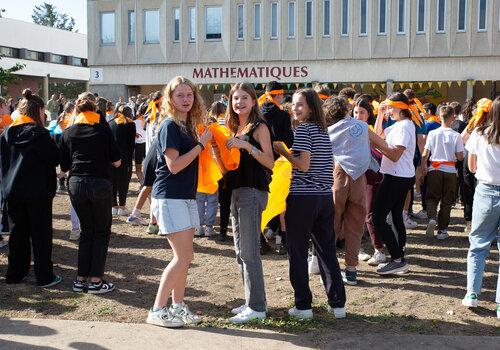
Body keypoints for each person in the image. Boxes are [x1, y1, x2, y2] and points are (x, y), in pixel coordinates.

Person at [274, 89, 346, 320]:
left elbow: (303, 165)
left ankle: (303, 306)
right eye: (293, 104)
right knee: (327, 252)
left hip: (303, 198)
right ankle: (338, 305)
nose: (295, 109)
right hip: (324, 198)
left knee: (297, 252)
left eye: (300, 105)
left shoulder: (304, 130)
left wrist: (283, 152)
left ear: (312, 108)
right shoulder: (323, 131)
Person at [147, 76, 211, 328]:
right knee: (181, 257)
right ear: (170, 99)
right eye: (180, 95)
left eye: (189, 95)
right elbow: (174, 166)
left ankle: (178, 306)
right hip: (169, 196)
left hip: (184, 197)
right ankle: (157, 309)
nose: (186, 99)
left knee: (186, 257)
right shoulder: (170, 126)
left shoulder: (186, 126)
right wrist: (200, 146)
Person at [59, 92, 121, 294]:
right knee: (101, 232)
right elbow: (117, 161)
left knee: (86, 231)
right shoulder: (104, 131)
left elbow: (65, 165)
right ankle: (95, 281)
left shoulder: (68, 132)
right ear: (95, 110)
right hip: (99, 183)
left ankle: (80, 279)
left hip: (76, 183)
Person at [224, 83, 274, 323]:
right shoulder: (234, 127)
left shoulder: (259, 126)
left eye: (244, 98)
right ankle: (250, 301)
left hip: (252, 192)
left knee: (249, 252)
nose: (239, 102)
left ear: (254, 101)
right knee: (239, 251)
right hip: (237, 191)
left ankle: (257, 307)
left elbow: (270, 162)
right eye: (235, 98)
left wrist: (247, 145)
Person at [0, 89, 61, 287]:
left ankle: (16, 273)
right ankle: (44, 276)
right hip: (38, 192)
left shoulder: (7, 133)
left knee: (18, 234)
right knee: (41, 236)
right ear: (40, 111)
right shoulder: (41, 134)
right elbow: (55, 158)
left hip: (13, 191)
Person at [462, 96, 500, 319]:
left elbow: (471, 166)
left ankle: (472, 294)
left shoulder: (479, 134)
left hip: (485, 191)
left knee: (478, 245)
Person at [372, 92, 416, 275]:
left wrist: (375, 141)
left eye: (390, 107)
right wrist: (380, 115)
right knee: (396, 216)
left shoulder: (404, 126)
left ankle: (398, 259)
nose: (388, 110)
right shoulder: (400, 125)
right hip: (398, 175)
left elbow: (394, 154)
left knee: (377, 218)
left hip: (397, 176)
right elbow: (378, 135)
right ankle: (399, 258)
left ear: (401, 107)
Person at [259, 81, 294, 254]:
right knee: (282, 201)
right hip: (279, 163)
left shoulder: (256, 113)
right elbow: (289, 142)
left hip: (258, 163)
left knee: (260, 201)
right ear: (279, 95)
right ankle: (283, 241)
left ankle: (259, 240)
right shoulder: (283, 116)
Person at [421, 105, 465, 239]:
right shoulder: (456, 135)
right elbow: (460, 156)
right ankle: (442, 230)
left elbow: (425, 153)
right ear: (453, 117)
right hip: (451, 170)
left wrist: (423, 166)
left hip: (434, 169)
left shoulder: (433, 133)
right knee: (447, 201)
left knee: (431, 197)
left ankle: (432, 218)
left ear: (440, 117)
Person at [353, 97, 386, 266]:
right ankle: (356, 248)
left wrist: (380, 114)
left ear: (368, 115)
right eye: (356, 112)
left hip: (371, 176)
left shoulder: (368, 129)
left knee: (369, 214)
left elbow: (381, 142)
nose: (358, 115)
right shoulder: (350, 129)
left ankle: (379, 250)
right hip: (354, 177)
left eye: (362, 112)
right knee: (355, 213)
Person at [109, 105, 136, 216]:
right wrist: (130, 161)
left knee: (113, 181)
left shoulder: (111, 122)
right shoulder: (130, 124)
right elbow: (131, 145)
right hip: (124, 157)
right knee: (123, 182)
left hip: (112, 158)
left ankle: (114, 206)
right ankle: (122, 206)